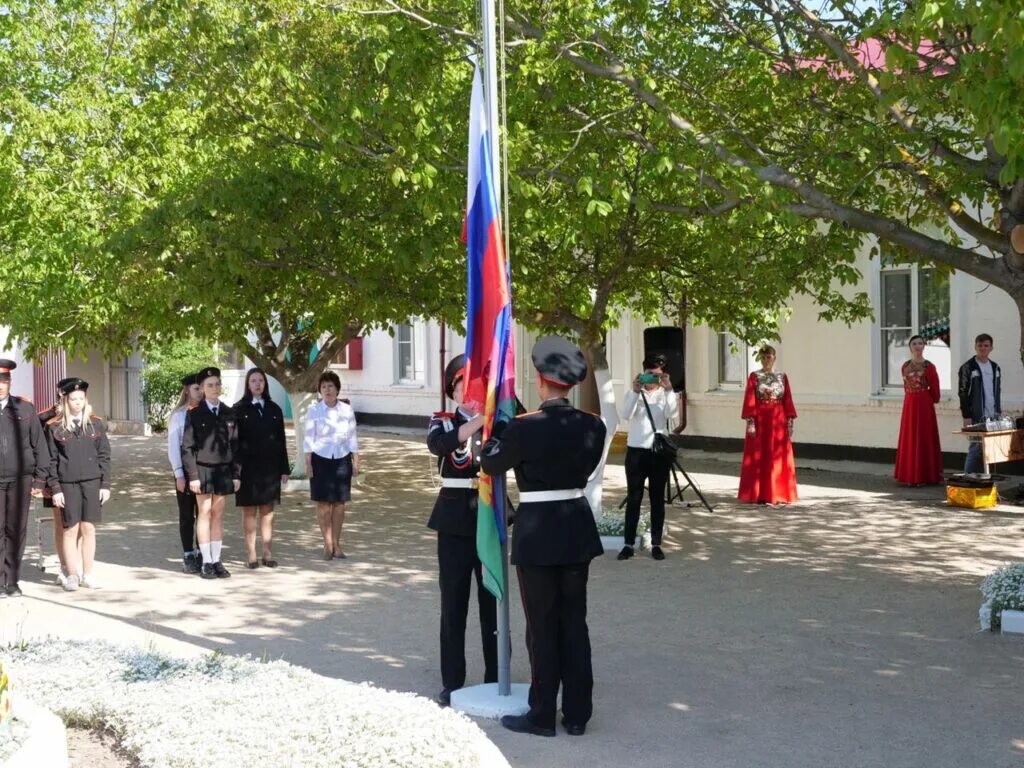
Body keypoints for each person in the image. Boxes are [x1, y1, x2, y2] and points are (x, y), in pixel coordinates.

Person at [480, 336, 606, 738]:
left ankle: (541, 715)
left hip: (538, 531)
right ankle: (577, 714)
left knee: (542, 626)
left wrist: (496, 430)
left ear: (540, 380)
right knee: (575, 622)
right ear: (570, 383)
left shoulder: (522, 428)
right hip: (575, 526)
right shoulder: (594, 425)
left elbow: (490, 460)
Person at [426, 354, 497, 707]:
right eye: (461, 386)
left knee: (492, 603)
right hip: (453, 521)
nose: (468, 392)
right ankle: (452, 681)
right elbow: (440, 446)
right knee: (453, 605)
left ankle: (496, 677)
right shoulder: (441, 421)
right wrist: (478, 421)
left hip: (488, 517)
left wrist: (494, 410)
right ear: (452, 392)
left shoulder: (497, 421)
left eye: (476, 386)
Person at [45, 378, 111, 592]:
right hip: (67, 485)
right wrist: (55, 489)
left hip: (92, 483)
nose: (78, 402)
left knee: (89, 528)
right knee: (70, 529)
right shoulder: (54, 426)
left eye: (81, 398)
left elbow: (104, 455)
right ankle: (71, 574)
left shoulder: (95, 423)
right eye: (73, 399)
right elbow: (51, 461)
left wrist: (105, 485)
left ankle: (87, 574)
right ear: (65, 400)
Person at [181, 366, 240, 579]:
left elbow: (235, 446)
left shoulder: (228, 413)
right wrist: (193, 476)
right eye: (209, 385)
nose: (214, 388)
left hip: (223, 470)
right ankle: (205, 561)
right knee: (204, 513)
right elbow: (187, 448)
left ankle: (216, 560)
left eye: (217, 384)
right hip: (203, 469)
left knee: (218, 515)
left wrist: (236, 474)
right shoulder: (195, 414)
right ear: (203, 389)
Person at [618, 353, 677, 561]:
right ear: (643, 373)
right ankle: (628, 544)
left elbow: (672, 414)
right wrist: (635, 391)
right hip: (636, 451)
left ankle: (656, 544)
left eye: (656, 375)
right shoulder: (634, 393)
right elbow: (625, 415)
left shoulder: (665, 394)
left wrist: (669, 388)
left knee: (656, 500)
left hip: (657, 454)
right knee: (634, 498)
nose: (652, 379)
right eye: (649, 374)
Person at [0, 359, 50, 599]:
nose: (0, 385)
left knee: (16, 530)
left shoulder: (24, 409)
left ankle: (12, 581)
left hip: (20, 480)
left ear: (10, 382)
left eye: (4, 380)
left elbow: (39, 445)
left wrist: (40, 481)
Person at [234, 367, 290, 569]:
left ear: (265, 384)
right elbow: (235, 443)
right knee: (249, 512)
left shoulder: (274, 409)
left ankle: (267, 552)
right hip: (248, 469)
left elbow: (281, 441)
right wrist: (236, 472)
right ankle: (251, 554)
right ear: (248, 385)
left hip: (270, 469)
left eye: (261, 381)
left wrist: (284, 468)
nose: (257, 384)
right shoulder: (239, 409)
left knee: (268, 512)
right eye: (253, 381)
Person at [304, 371, 359, 560]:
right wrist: (308, 464)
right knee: (323, 503)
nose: (327, 390)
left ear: (337, 389)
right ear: (320, 390)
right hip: (320, 458)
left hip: (342, 458)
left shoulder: (347, 410)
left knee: (339, 503)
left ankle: (336, 543)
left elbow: (352, 437)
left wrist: (356, 461)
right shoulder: (314, 410)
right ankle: (326, 543)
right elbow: (308, 440)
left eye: (330, 386)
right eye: (324, 387)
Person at [737, 345, 798, 505]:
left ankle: (779, 493)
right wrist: (751, 421)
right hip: (760, 419)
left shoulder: (782, 377)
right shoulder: (754, 376)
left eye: (769, 357)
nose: (766, 361)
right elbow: (750, 399)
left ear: (774, 358)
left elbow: (788, 399)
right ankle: (760, 494)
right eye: (763, 358)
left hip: (778, 419)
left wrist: (790, 422)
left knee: (777, 455)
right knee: (760, 455)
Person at [38, 377, 74, 585]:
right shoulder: (47, 418)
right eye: (63, 394)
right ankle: (64, 566)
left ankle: (76, 565)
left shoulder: (85, 416)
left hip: (78, 479)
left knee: (78, 525)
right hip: (54, 480)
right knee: (61, 525)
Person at [894, 335, 943, 485]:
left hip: (924, 405)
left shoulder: (930, 366)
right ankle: (909, 476)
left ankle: (926, 476)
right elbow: (905, 387)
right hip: (909, 404)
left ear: (924, 346)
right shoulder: (904, 366)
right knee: (910, 437)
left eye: (920, 343)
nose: (917, 346)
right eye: (914, 343)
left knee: (924, 437)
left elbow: (935, 391)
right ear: (910, 347)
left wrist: (928, 399)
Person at [168, 372, 203, 573]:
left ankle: (202, 550)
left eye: (201, 388)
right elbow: (174, 446)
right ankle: (188, 553)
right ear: (187, 391)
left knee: (204, 514)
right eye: (196, 388)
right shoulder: (180, 415)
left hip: (204, 469)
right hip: (185, 470)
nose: (200, 392)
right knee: (187, 514)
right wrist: (179, 473)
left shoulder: (206, 412)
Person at [958, 333, 1000, 474]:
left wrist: (998, 413)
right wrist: (966, 416)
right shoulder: (968, 367)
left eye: (986, 345)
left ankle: (983, 480)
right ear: (975, 347)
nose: (983, 348)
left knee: (989, 449)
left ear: (991, 348)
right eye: (980, 345)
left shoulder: (995, 368)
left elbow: (997, 391)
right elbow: (962, 393)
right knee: (975, 448)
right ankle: (968, 481)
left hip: (992, 416)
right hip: (975, 415)